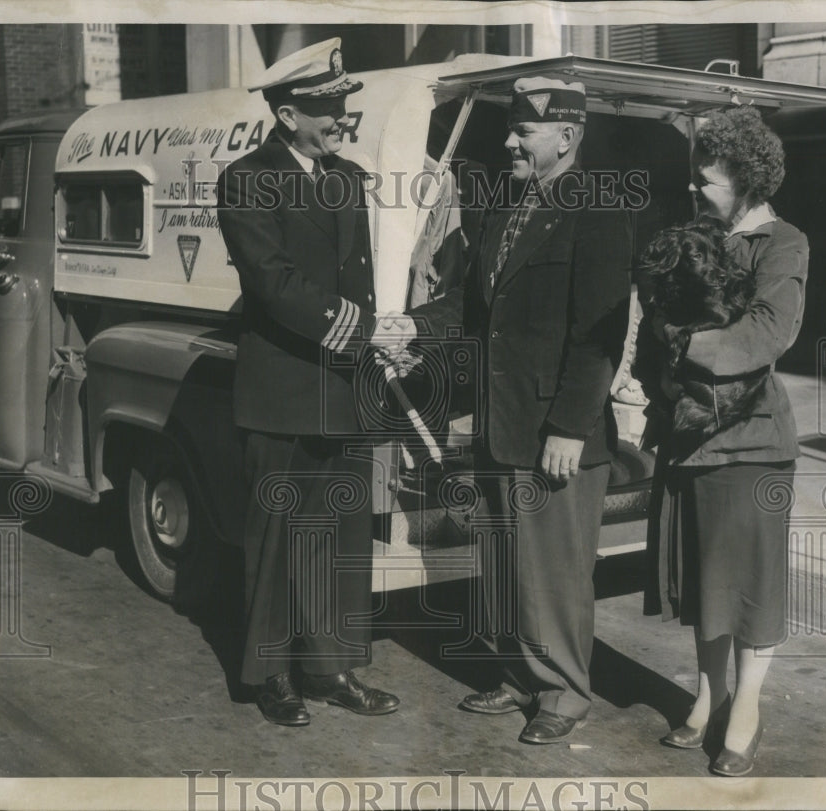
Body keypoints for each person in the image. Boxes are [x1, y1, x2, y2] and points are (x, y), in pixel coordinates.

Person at [406, 77, 632, 744]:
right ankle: (519, 672)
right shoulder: (510, 206)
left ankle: (563, 688)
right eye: (510, 129)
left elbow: (600, 332)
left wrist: (569, 425)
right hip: (501, 420)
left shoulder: (598, 207)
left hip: (556, 431)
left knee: (555, 569)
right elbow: (475, 312)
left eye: (523, 131)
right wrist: (410, 328)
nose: (508, 140)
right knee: (505, 559)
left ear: (567, 137)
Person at [215, 38, 409, 727]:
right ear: (290, 114)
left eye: (342, 107)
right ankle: (272, 678)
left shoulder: (349, 177)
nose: (340, 121)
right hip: (283, 391)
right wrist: (362, 330)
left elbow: (356, 276)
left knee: (340, 538)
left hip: (343, 387)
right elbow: (273, 284)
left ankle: (332, 669)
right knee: (276, 544)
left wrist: (386, 338)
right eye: (328, 110)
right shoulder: (247, 178)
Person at [635, 105, 808, 776]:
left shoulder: (783, 242)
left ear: (745, 177)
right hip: (688, 433)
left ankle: (747, 711)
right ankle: (708, 695)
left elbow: (768, 332)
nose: (694, 188)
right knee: (705, 579)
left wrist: (680, 342)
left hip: (750, 440)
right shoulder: (695, 234)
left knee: (749, 586)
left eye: (706, 179)